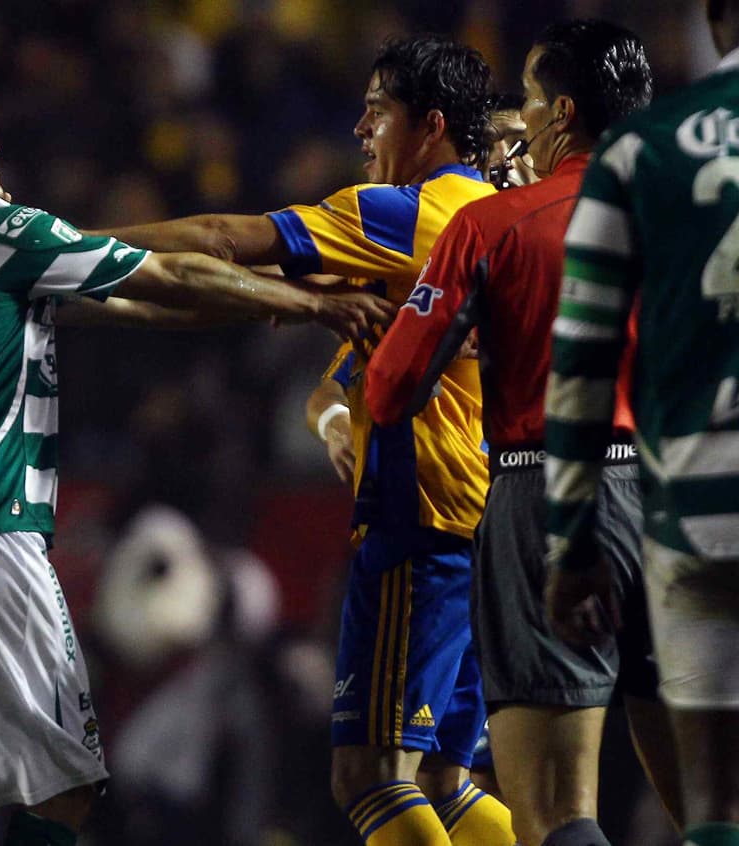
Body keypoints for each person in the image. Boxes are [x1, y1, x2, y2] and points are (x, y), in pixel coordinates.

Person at [0, 75, 393, 846]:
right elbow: (159, 272)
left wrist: (267, 290)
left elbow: (133, 300)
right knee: (66, 789)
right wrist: (319, 306)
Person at [101, 33, 515, 846]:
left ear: (430, 125)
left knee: (368, 776)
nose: (360, 132)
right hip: (488, 523)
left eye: (375, 113)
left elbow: (225, 238)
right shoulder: (494, 224)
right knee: (446, 780)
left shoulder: (406, 214)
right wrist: (333, 421)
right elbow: (329, 367)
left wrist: (67, 247)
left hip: (419, 521)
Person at [363, 21, 675, 846]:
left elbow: (392, 388)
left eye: (530, 103)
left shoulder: (494, 223)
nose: (521, 123)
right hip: (686, 501)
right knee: (712, 805)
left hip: (552, 493)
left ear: (563, 111)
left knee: (556, 811)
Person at [544, 2, 739, 844]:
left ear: (717, 18)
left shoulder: (637, 150)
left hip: (695, 508)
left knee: (713, 805)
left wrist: (571, 543)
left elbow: (582, 366)